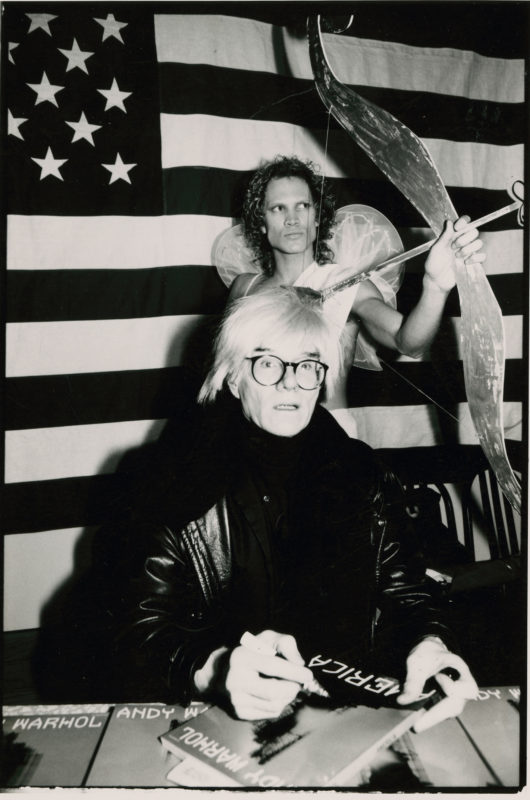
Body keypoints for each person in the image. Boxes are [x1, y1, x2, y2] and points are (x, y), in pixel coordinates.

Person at [99, 286, 477, 731]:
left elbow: (407, 592)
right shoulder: (163, 479)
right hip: (213, 718)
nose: (290, 382)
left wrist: (430, 644)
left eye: (307, 365)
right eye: (267, 363)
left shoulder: (361, 472)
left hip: (343, 718)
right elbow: (129, 635)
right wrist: (211, 669)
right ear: (233, 378)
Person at [222, 155, 486, 435]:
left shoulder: (347, 284)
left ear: (317, 216)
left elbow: (408, 342)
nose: (293, 219)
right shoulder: (244, 287)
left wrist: (435, 287)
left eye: (303, 206)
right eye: (278, 208)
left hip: (324, 437)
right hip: (248, 430)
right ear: (261, 222)